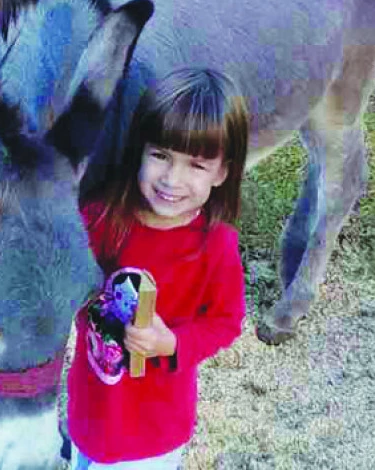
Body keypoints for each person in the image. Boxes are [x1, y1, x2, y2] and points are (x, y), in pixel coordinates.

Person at [67, 67, 249, 468]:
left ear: (222, 172)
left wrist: (172, 344)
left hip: (152, 434)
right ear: (140, 150)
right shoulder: (99, 219)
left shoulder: (216, 246)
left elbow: (226, 322)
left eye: (196, 165)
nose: (172, 179)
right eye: (160, 155)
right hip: (88, 411)